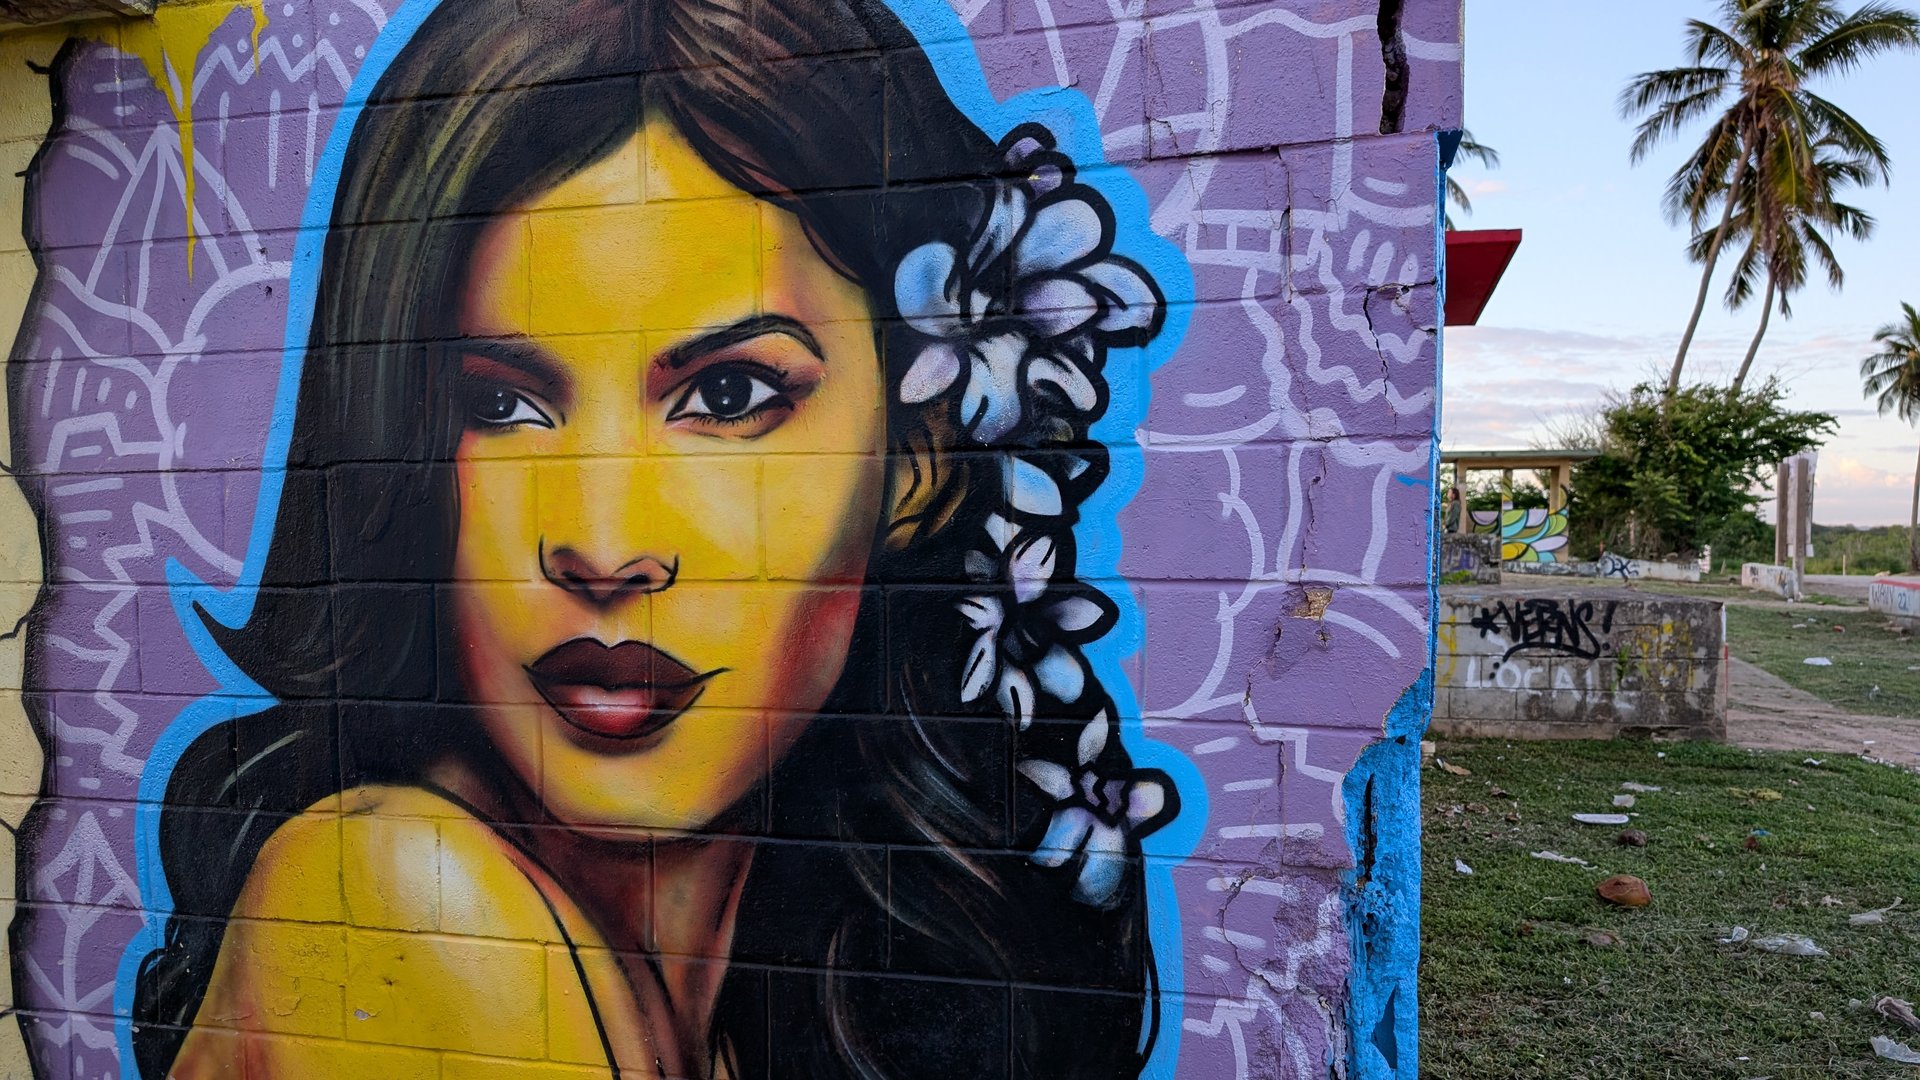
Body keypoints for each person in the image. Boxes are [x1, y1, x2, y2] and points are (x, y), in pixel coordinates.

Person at [131, 0, 1179, 1077]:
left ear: (915, 461)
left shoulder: (798, 983)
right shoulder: (399, 908)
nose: (602, 545)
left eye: (728, 394)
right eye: (498, 405)